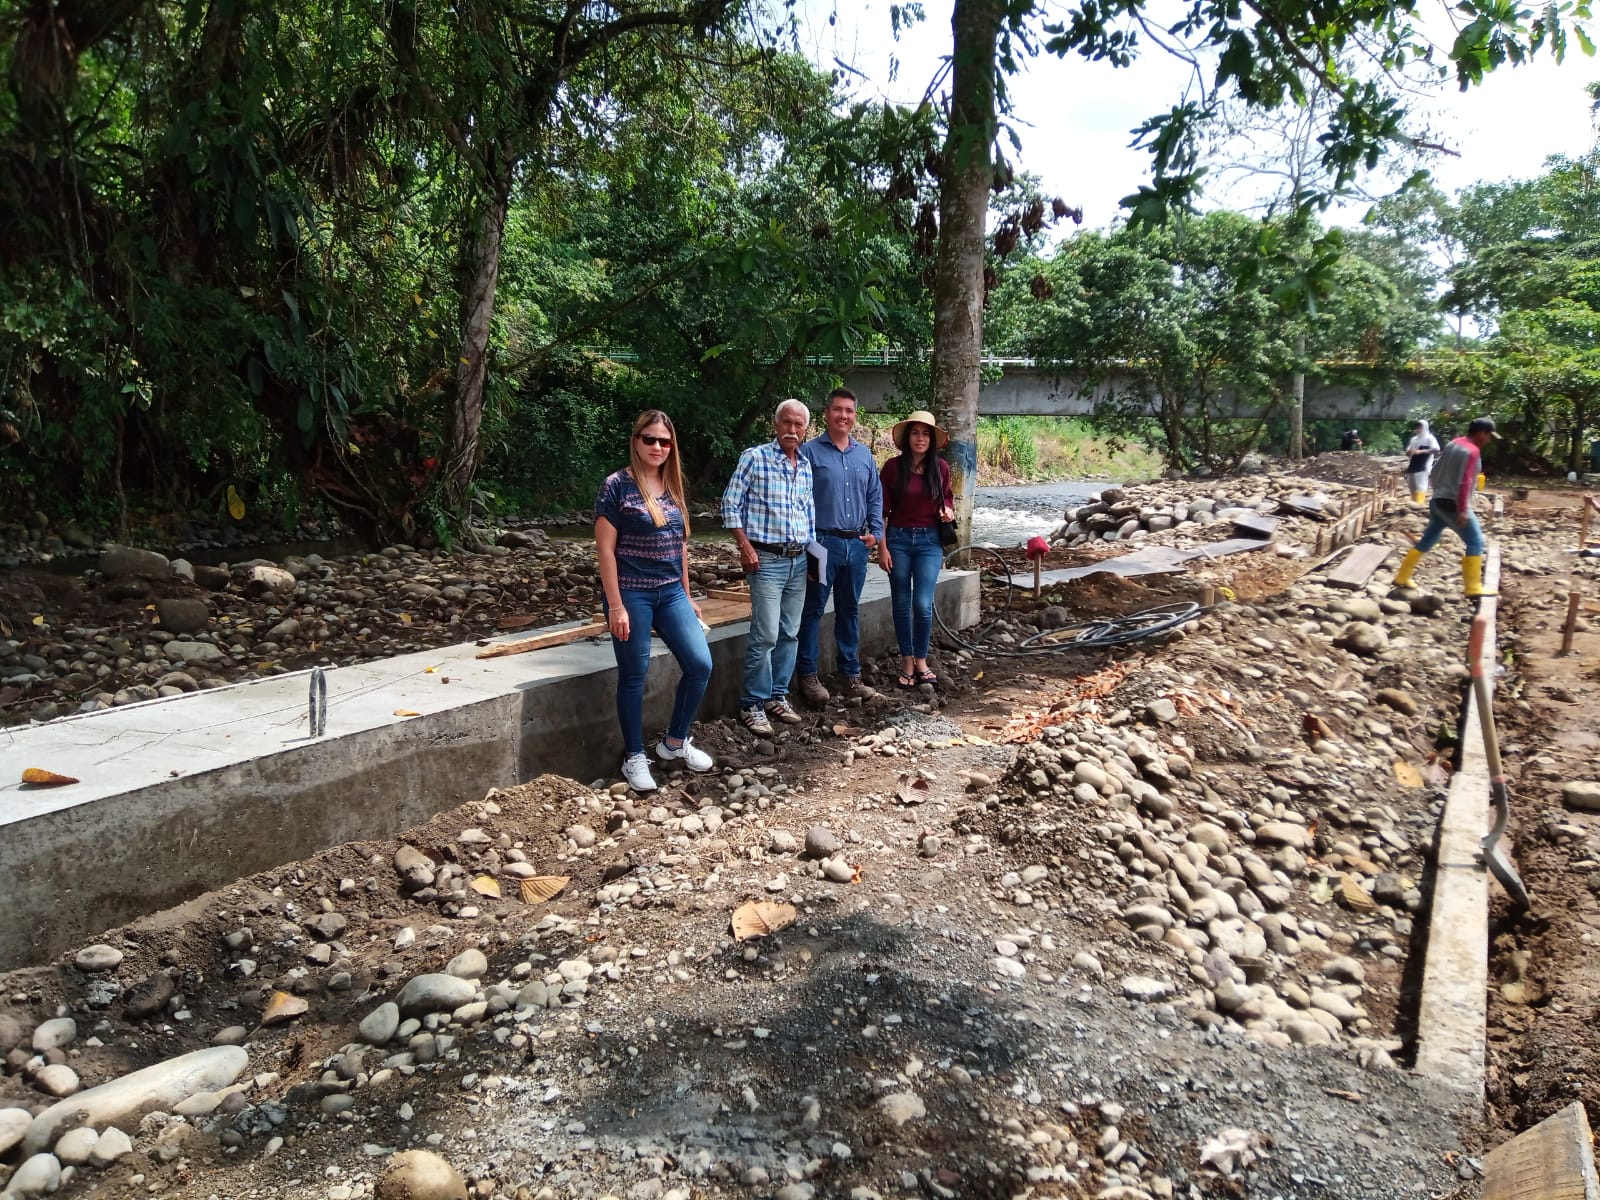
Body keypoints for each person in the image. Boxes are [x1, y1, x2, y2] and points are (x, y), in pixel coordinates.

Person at [594, 410, 714, 792]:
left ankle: (674, 743)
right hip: (631, 592)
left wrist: (688, 594)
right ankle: (634, 756)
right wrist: (616, 606)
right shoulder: (616, 486)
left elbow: (680, 546)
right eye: (650, 439)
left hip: (671, 591)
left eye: (664, 441)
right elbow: (605, 550)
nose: (657, 446)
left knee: (700, 664)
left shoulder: (673, 485)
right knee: (635, 674)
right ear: (636, 441)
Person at [722, 399, 816, 735]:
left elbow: (808, 513)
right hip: (766, 559)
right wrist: (744, 546)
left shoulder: (805, 465)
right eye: (786, 423)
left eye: (799, 424)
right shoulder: (755, 457)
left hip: (798, 559)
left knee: (790, 632)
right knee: (765, 635)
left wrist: (813, 556)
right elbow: (730, 505)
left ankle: (777, 695)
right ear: (776, 425)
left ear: (806, 429)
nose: (792, 430)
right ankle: (752, 702)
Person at [795, 387, 884, 706]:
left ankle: (850, 675)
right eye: (837, 409)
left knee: (849, 610)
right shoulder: (809, 453)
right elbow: (798, 499)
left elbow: (875, 496)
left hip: (856, 545)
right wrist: (807, 541)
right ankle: (807, 675)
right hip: (822, 544)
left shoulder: (864, 455)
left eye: (849, 411)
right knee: (813, 610)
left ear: (855, 416)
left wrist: (876, 532)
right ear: (826, 414)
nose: (843, 416)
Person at [878, 410, 953, 689]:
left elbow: (948, 499)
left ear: (931, 440)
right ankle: (907, 661)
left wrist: (948, 511)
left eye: (925, 434)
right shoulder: (892, 468)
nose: (920, 439)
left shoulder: (940, 468)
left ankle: (921, 659)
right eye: (915, 433)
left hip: (929, 542)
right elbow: (880, 511)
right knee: (901, 603)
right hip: (897, 539)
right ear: (907, 437)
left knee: (922, 603)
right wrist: (882, 548)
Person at [1392, 416, 1501, 599]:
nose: (1489, 440)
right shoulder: (1472, 451)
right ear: (1482, 433)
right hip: (1453, 503)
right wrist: (1463, 509)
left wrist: (1437, 491)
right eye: (1489, 435)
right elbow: (1465, 482)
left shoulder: (1453, 444)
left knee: (1428, 539)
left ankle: (1402, 576)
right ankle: (1473, 588)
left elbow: (1435, 470)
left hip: (1438, 500)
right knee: (1475, 542)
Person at [1403, 419, 1440, 504]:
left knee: (1421, 485)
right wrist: (1409, 452)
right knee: (1412, 485)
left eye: (1420, 427)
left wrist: (1422, 451)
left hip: (1424, 465)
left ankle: (1419, 503)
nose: (1418, 429)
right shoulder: (1414, 439)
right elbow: (1408, 451)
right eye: (1417, 427)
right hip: (1413, 464)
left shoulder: (1429, 438)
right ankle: (1413, 502)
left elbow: (1436, 449)